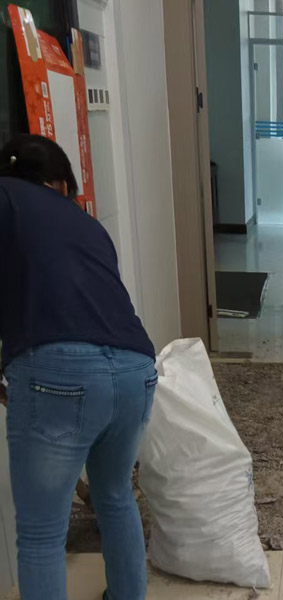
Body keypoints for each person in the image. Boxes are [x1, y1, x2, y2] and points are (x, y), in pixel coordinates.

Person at [0, 134, 155, 600]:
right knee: (115, 496)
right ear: (61, 185)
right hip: (136, 369)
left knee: (41, 534)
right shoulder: (88, 224)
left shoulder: (6, 197)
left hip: (57, 375)